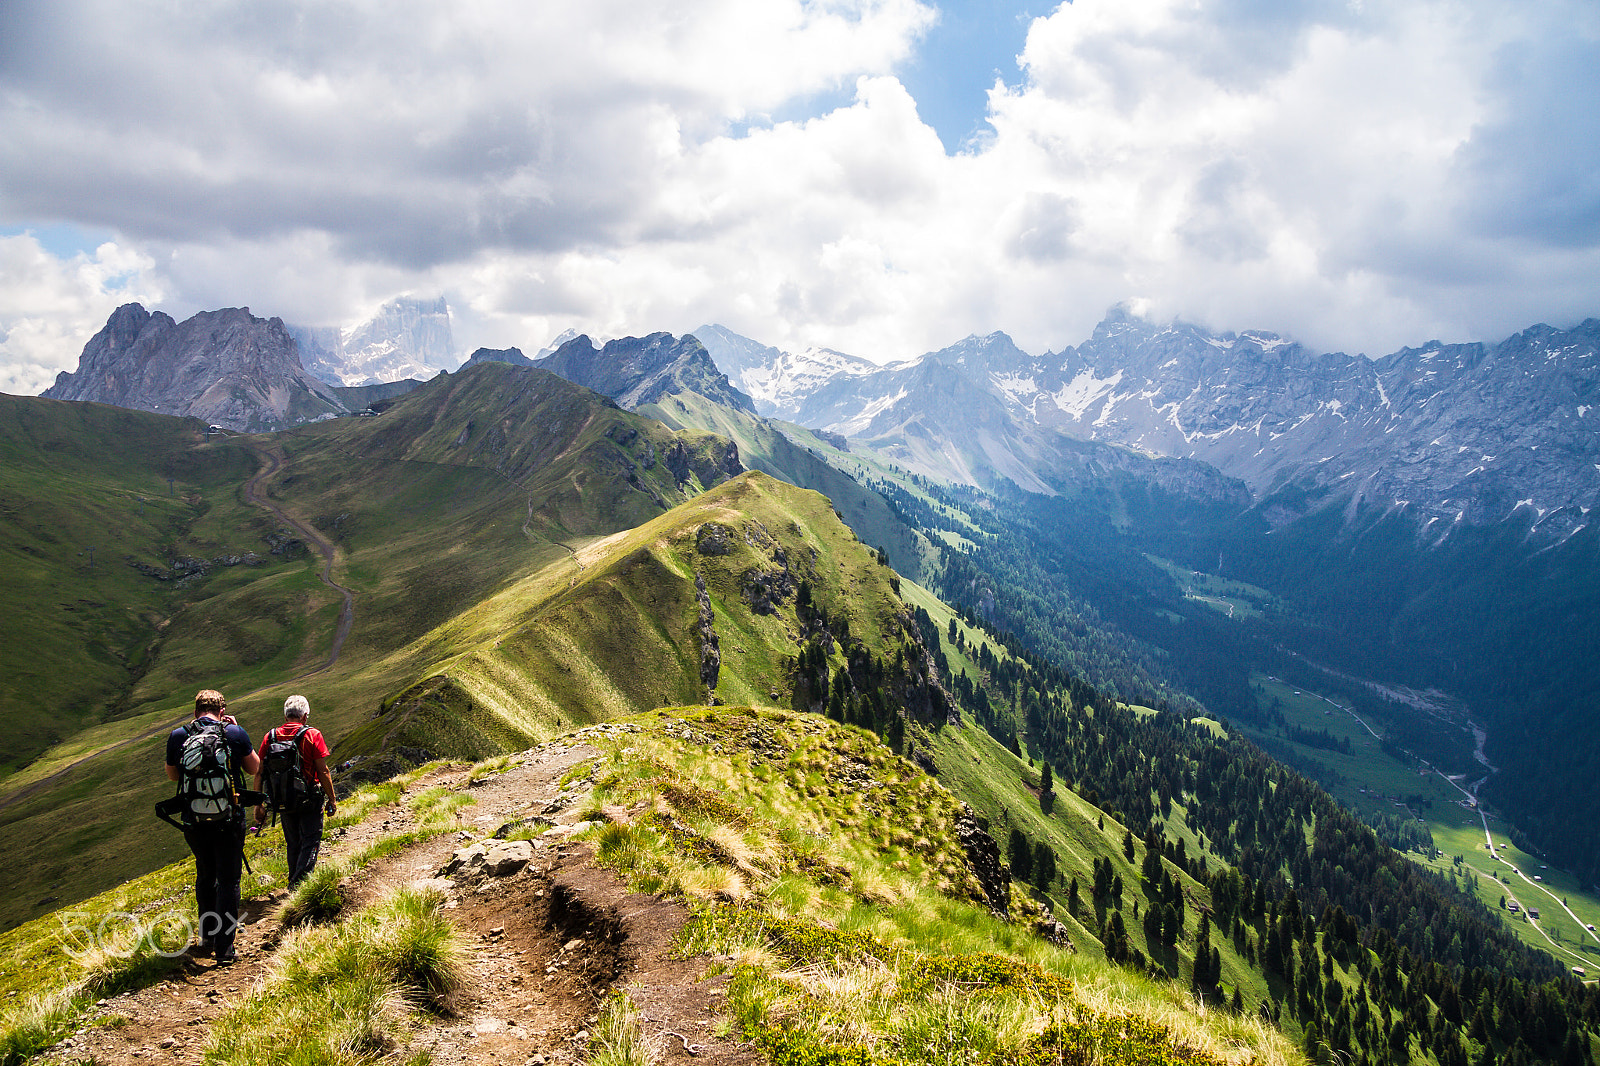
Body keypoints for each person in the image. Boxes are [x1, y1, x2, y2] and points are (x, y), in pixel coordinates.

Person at [165, 689, 259, 966]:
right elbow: (254, 768)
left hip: (193, 819)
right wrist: (234, 729)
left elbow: (173, 776)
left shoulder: (179, 736)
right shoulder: (234, 733)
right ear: (221, 711)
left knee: (206, 875)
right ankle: (225, 948)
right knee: (229, 879)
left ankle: (207, 936)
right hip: (229, 818)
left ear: (195, 712)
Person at [254, 694, 337, 888]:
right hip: (309, 798)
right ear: (305, 716)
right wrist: (332, 799)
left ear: (285, 717)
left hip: (282, 799)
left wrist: (259, 804)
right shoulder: (312, 735)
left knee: (293, 843)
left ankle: (294, 881)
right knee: (310, 840)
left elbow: (259, 772)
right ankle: (299, 887)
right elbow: (323, 770)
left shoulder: (271, 736)